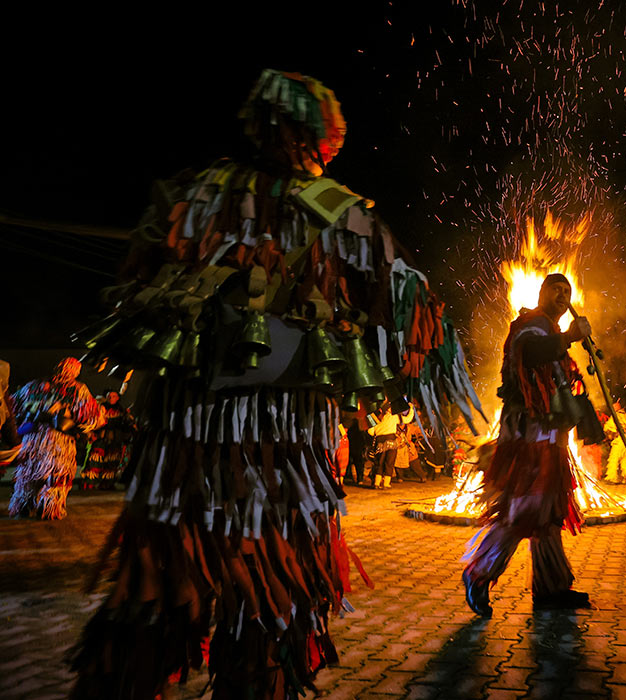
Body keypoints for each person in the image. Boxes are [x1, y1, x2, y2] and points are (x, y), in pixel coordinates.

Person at [67, 70, 481, 699]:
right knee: (262, 610)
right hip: (274, 453)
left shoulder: (195, 193)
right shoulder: (343, 216)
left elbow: (133, 290)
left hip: (187, 445)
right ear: (318, 135)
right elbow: (409, 314)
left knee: (159, 603)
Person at [462, 273, 593, 617]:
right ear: (542, 293)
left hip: (551, 437)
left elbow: (561, 384)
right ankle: (478, 574)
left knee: (548, 514)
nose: (563, 295)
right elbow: (532, 354)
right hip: (526, 436)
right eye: (556, 290)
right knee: (523, 510)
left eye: (567, 291)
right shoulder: (530, 325)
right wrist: (568, 338)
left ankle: (552, 588)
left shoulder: (550, 330)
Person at [8, 358, 104, 519]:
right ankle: (48, 507)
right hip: (58, 440)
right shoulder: (78, 389)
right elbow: (92, 416)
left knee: (29, 472)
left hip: (33, 437)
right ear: (74, 371)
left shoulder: (33, 386)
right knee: (56, 474)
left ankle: (24, 504)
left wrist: (31, 413)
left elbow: (12, 404)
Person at [82, 391, 138, 490]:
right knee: (95, 460)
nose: (111, 398)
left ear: (117, 398)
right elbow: (94, 421)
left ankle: (107, 483)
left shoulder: (121, 410)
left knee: (111, 462)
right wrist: (92, 432)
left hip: (115, 439)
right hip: (101, 438)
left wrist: (131, 427)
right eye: (109, 396)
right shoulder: (101, 408)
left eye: (114, 396)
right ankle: (90, 482)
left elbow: (127, 423)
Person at [368, 402, 416, 489]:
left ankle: (377, 483)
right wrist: (411, 409)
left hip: (380, 441)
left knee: (380, 462)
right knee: (389, 462)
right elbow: (407, 420)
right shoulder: (394, 416)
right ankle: (386, 484)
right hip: (391, 440)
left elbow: (370, 432)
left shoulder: (374, 418)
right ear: (388, 409)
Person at [603, 400, 626, 484]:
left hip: (619, 440)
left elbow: (608, 428)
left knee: (614, 458)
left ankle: (612, 478)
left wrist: (609, 433)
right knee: (625, 460)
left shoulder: (615, 416)